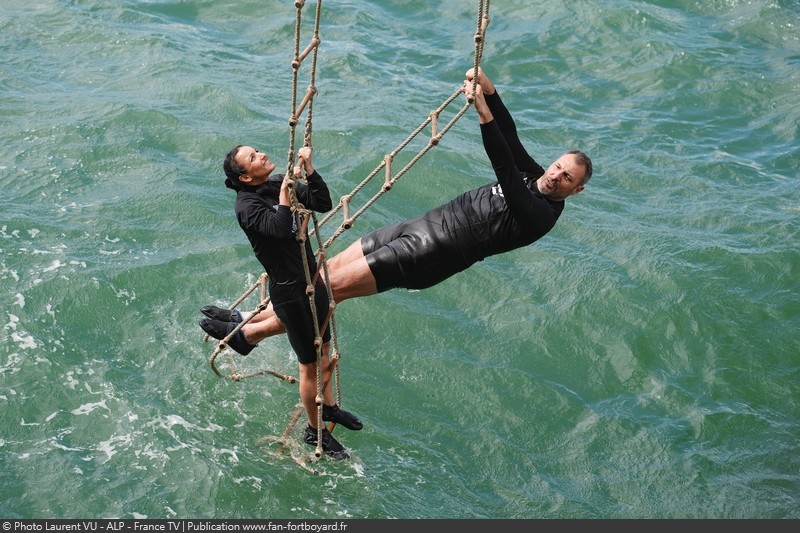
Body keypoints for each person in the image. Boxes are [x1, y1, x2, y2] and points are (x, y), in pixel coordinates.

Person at [202, 66, 593, 365]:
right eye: (557, 167)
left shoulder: (541, 215)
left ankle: (247, 336)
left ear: (576, 191)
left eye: (566, 178)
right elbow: (511, 136)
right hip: (419, 226)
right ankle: (250, 315)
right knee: (318, 274)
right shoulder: (536, 175)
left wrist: (481, 113)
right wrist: (490, 91)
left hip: (433, 253)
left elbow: (504, 169)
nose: (555, 176)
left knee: (326, 292)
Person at [200, 144, 362, 460]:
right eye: (252, 157)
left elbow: (322, 202)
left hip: (313, 280)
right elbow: (279, 229)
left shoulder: (275, 184)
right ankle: (315, 432)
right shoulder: (245, 207)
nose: (261, 155)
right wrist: (286, 198)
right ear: (245, 177)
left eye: (257, 151)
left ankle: (329, 409)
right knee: (310, 365)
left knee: (325, 351)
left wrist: (310, 171)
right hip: (290, 294)